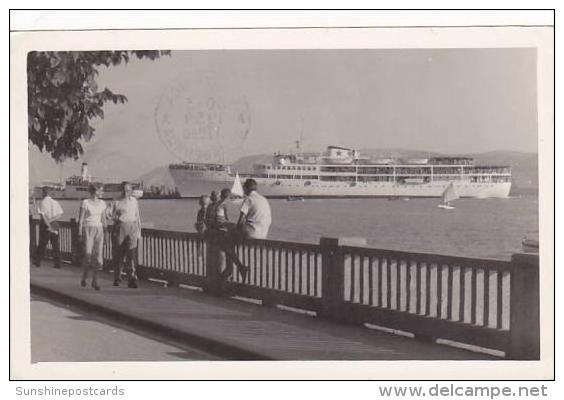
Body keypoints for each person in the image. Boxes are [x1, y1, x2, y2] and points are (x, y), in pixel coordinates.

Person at [108, 182, 142, 288]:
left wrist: (138, 232)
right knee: (118, 254)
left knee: (131, 255)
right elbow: (107, 214)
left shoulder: (134, 201)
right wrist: (114, 217)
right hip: (119, 228)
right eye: (123, 190)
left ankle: (132, 279)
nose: (125, 192)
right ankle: (117, 278)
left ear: (131, 191)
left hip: (132, 228)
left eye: (128, 190)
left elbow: (137, 216)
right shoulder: (116, 201)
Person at [78, 183, 107, 290]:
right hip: (87, 229)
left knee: (98, 256)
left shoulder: (103, 203)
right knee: (88, 256)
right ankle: (84, 277)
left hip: (99, 230)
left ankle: (95, 280)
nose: (102, 192)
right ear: (95, 191)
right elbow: (80, 219)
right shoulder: (85, 203)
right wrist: (79, 233)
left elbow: (104, 220)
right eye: (101, 190)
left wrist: (106, 233)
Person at [33, 186, 63, 268]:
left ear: (44, 192)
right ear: (50, 193)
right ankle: (57, 263)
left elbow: (43, 216)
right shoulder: (55, 202)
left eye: (42, 192)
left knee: (42, 244)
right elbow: (60, 214)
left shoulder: (42, 202)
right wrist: (52, 221)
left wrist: (48, 223)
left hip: (45, 224)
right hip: (55, 224)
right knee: (55, 245)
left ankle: (37, 261)